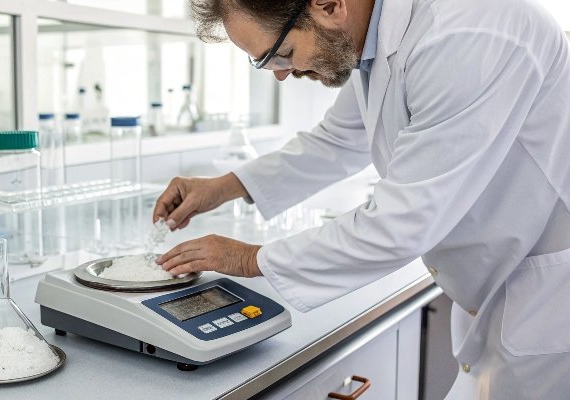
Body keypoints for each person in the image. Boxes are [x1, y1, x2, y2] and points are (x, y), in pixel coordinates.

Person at [153, 0, 570, 398]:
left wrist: (249, 259)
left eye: (283, 55)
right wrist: (224, 186)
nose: (281, 76)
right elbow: (337, 141)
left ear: (329, 5)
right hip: (504, 283)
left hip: (546, 294)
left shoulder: (464, 34)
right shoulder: (373, 37)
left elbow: (400, 224)